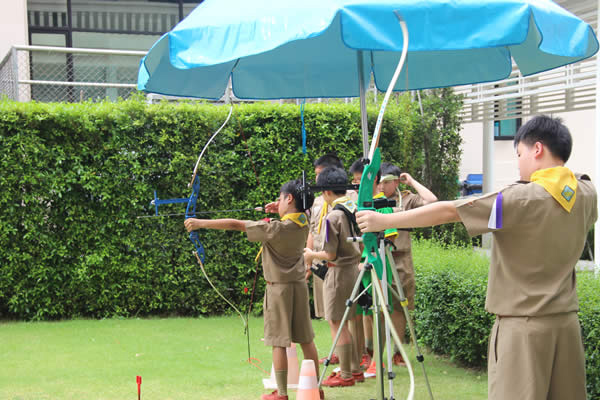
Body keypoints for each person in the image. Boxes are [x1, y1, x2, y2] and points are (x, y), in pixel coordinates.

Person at [356, 115, 597, 400]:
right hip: (566, 325)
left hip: (523, 329)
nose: (519, 163)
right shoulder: (586, 192)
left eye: (519, 154)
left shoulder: (518, 200)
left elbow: (450, 211)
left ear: (538, 149)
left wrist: (382, 220)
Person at [185, 179, 323, 400]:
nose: (277, 202)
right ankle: (315, 389)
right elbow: (299, 211)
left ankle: (282, 393)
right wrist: (278, 207)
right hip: (298, 286)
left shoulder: (275, 229)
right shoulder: (303, 222)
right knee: (306, 339)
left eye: (280, 198)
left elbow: (236, 224)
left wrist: (201, 223)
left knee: (278, 341)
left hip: (279, 290)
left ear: (289, 199)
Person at [304, 167, 363, 387]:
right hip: (354, 270)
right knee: (348, 321)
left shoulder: (332, 216)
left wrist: (310, 254)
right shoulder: (352, 207)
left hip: (338, 273)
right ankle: (355, 369)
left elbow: (330, 253)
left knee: (337, 323)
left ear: (327, 192)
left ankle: (346, 374)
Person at [375, 162, 437, 367]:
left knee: (400, 308)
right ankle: (376, 356)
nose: (382, 187)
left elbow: (432, 201)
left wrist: (411, 180)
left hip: (400, 258)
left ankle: (397, 352)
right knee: (379, 307)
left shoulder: (407, 199)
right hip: (380, 256)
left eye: (387, 182)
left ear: (396, 181)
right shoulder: (375, 200)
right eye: (380, 182)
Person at [307, 153, 344, 365]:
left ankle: (353, 358)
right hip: (320, 261)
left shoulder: (344, 200)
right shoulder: (319, 201)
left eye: (320, 175)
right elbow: (313, 230)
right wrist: (309, 259)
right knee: (329, 313)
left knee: (343, 314)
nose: (317, 181)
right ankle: (338, 353)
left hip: (337, 262)